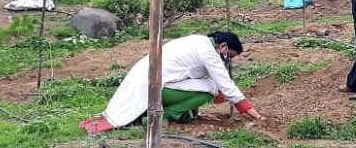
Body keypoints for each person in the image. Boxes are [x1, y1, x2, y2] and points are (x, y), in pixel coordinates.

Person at [80, 31, 261, 133]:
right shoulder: (208, 53)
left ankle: (171, 115)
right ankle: (161, 117)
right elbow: (227, 86)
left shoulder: (197, 41)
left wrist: (195, 114)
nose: (228, 60)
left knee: (207, 85)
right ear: (222, 46)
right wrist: (257, 117)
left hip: (148, 83)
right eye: (229, 55)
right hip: (155, 87)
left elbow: (189, 78)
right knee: (212, 87)